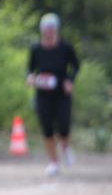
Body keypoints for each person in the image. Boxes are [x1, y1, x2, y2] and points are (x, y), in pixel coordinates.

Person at [27, 13, 79, 176]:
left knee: (64, 125)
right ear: (42, 30)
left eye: (52, 29)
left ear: (56, 30)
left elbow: (76, 66)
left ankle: (66, 146)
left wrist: (69, 81)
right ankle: (54, 162)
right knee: (47, 127)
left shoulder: (66, 48)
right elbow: (30, 69)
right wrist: (31, 78)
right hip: (43, 93)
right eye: (46, 29)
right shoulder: (36, 49)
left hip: (62, 93)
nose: (49, 32)